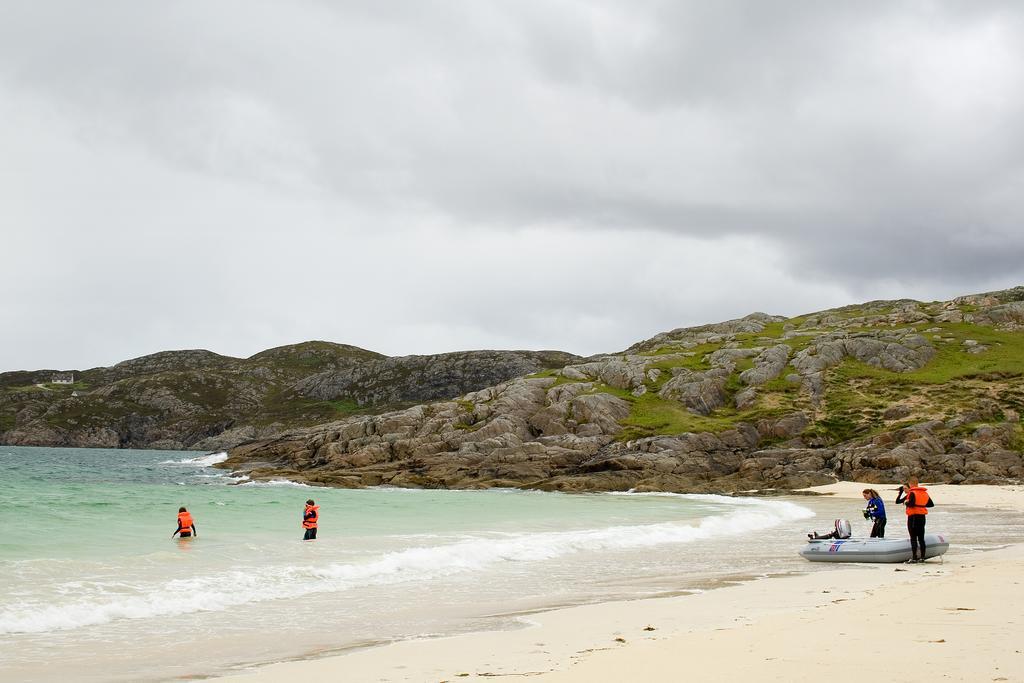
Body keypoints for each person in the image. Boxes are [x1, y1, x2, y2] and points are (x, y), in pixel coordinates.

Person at [895, 478, 933, 562]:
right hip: (922, 517)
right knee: (921, 538)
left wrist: (906, 502)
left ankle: (914, 557)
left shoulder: (912, 493)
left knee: (913, 538)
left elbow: (911, 504)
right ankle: (922, 557)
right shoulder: (924, 493)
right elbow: (931, 504)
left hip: (913, 517)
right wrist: (921, 505)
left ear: (910, 484)